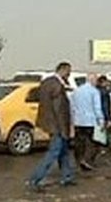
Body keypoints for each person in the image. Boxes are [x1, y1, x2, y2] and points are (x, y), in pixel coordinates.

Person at [28, 62, 75, 192]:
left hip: (49, 122)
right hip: (57, 125)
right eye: (69, 72)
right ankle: (35, 179)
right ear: (63, 70)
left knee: (64, 152)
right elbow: (60, 110)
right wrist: (64, 129)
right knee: (53, 152)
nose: (69, 75)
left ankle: (67, 176)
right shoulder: (57, 86)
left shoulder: (47, 82)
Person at [71, 73, 105, 172]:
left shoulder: (76, 91)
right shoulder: (94, 92)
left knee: (79, 143)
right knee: (93, 143)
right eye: (95, 80)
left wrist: (73, 119)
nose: (96, 82)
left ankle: (79, 160)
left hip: (78, 121)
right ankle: (87, 161)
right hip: (90, 121)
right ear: (92, 80)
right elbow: (97, 108)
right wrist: (101, 120)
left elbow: (72, 106)